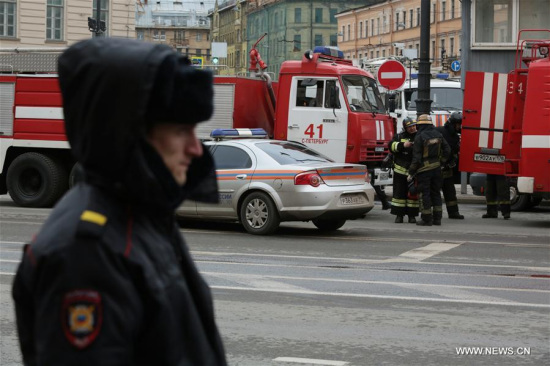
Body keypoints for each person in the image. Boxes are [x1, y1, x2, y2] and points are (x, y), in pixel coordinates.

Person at [12, 38, 227, 365]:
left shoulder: (141, 214)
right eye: (181, 130)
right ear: (132, 134)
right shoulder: (86, 252)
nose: (197, 149)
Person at [408, 114, 451, 226]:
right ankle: (437, 219)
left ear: (419, 125)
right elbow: (447, 150)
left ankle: (426, 219)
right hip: (437, 169)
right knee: (436, 193)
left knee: (424, 194)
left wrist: (411, 172)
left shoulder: (419, 136)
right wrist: (441, 162)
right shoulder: (438, 134)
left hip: (424, 170)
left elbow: (417, 158)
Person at [389, 117, 419, 223]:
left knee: (413, 195)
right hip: (400, 171)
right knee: (399, 195)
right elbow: (391, 146)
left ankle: (412, 216)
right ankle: (399, 215)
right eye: (409, 127)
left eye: (413, 126)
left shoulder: (419, 136)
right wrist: (402, 145)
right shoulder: (399, 136)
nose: (412, 128)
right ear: (405, 128)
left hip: (414, 171)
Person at [436, 111, 465, 219]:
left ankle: (453, 213)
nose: (459, 126)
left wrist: (453, 161)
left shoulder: (455, 136)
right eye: (458, 124)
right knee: (435, 193)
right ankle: (435, 214)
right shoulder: (439, 131)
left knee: (450, 192)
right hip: (437, 168)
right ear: (453, 123)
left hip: (447, 169)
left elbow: (454, 152)